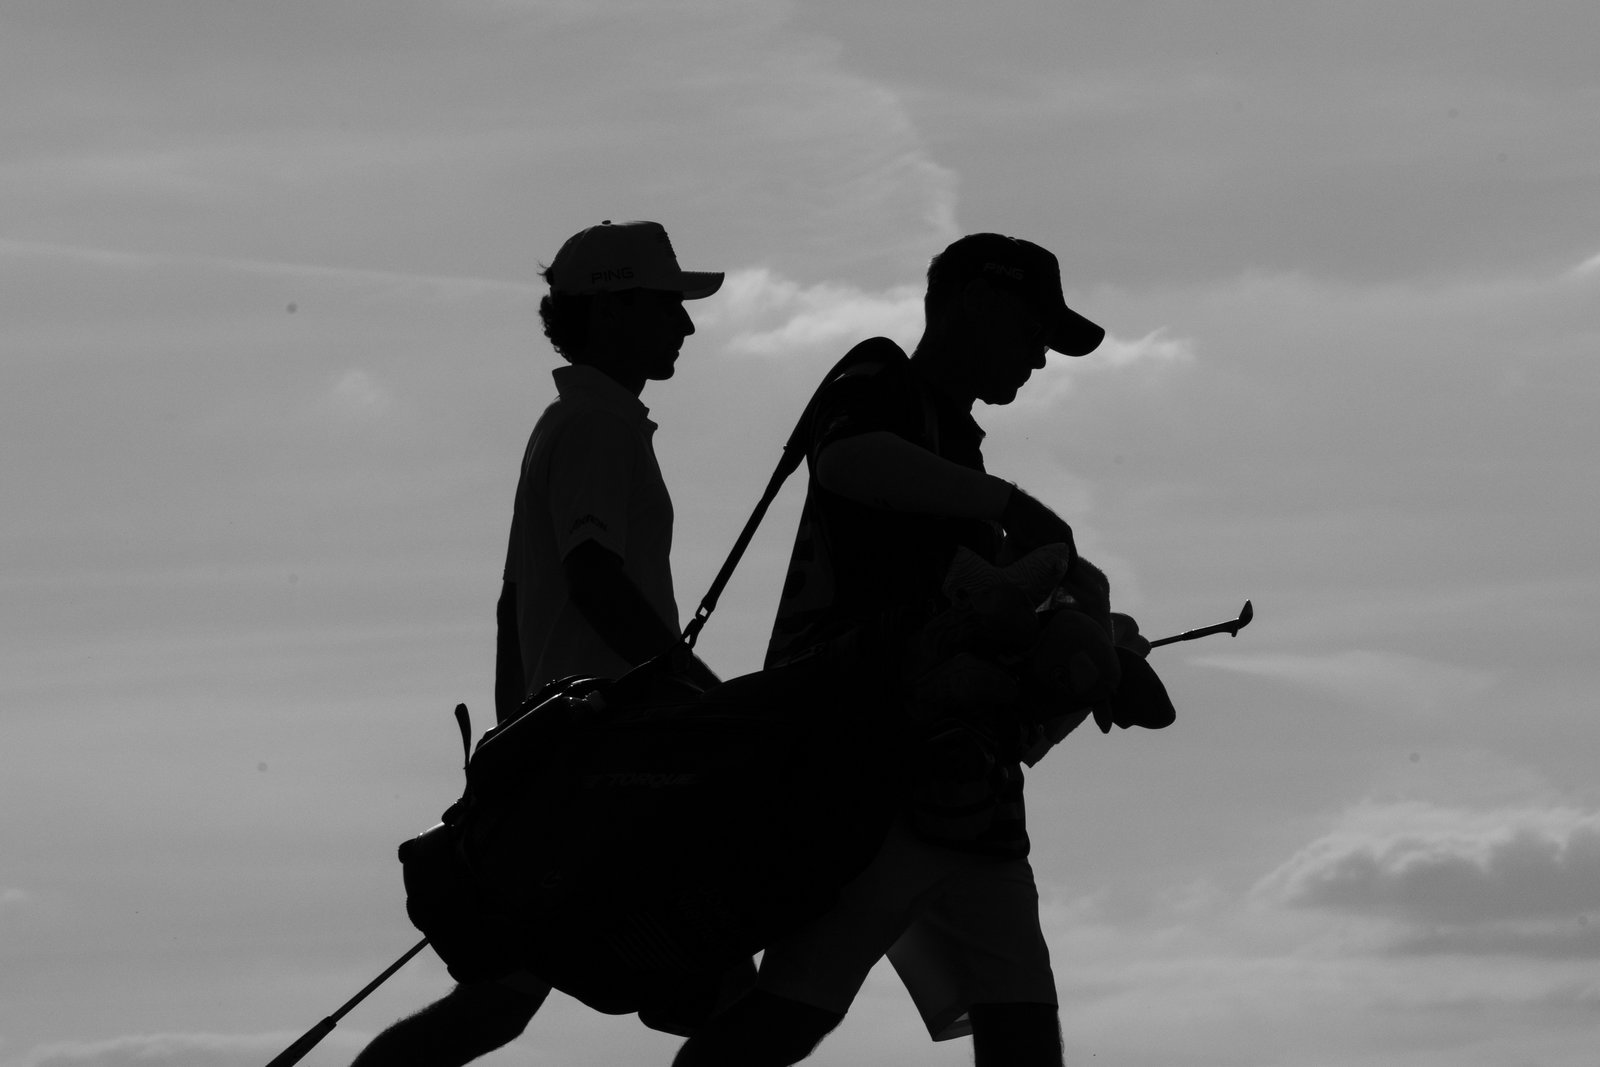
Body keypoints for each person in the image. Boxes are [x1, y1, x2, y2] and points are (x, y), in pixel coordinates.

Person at [673, 232, 1114, 1067]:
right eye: (1033, 332)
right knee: (786, 1020)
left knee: (1018, 1025)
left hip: (969, 797)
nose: (1040, 359)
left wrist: (1095, 646)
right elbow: (844, 461)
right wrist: (1012, 510)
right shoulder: (880, 377)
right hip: (867, 776)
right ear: (977, 305)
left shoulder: (959, 444)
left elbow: (964, 591)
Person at [353, 219, 723, 1067]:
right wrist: (703, 695)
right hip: (611, 761)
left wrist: (512, 745)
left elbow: (512, 603)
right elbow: (593, 578)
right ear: (614, 308)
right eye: (667, 304)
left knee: (503, 1003)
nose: (686, 325)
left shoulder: (575, 423)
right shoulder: (596, 428)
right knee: (725, 996)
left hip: (569, 759)